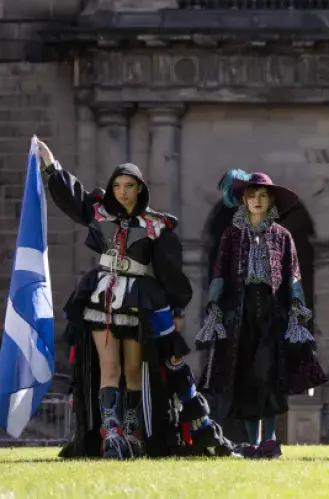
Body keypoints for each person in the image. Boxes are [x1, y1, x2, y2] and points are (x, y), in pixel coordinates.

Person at [34, 139, 233, 459]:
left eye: (129, 185)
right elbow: (74, 200)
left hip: (139, 303)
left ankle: (133, 431)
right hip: (102, 300)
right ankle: (110, 434)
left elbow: (170, 270)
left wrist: (177, 307)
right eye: (117, 185)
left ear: (139, 189)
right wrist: (51, 165)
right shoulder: (98, 213)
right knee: (108, 369)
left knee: (133, 371)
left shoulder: (156, 226)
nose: (122, 191)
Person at [195, 170, 327, 459]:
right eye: (252, 195)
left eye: (262, 196)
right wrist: (215, 307)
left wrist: (296, 310)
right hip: (240, 315)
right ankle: (253, 443)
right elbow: (220, 273)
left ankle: (270, 440)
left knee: (267, 375)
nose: (256, 200)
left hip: (272, 313)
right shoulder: (231, 235)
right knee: (245, 380)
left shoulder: (283, 236)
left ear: (270, 201)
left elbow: (293, 275)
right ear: (243, 200)